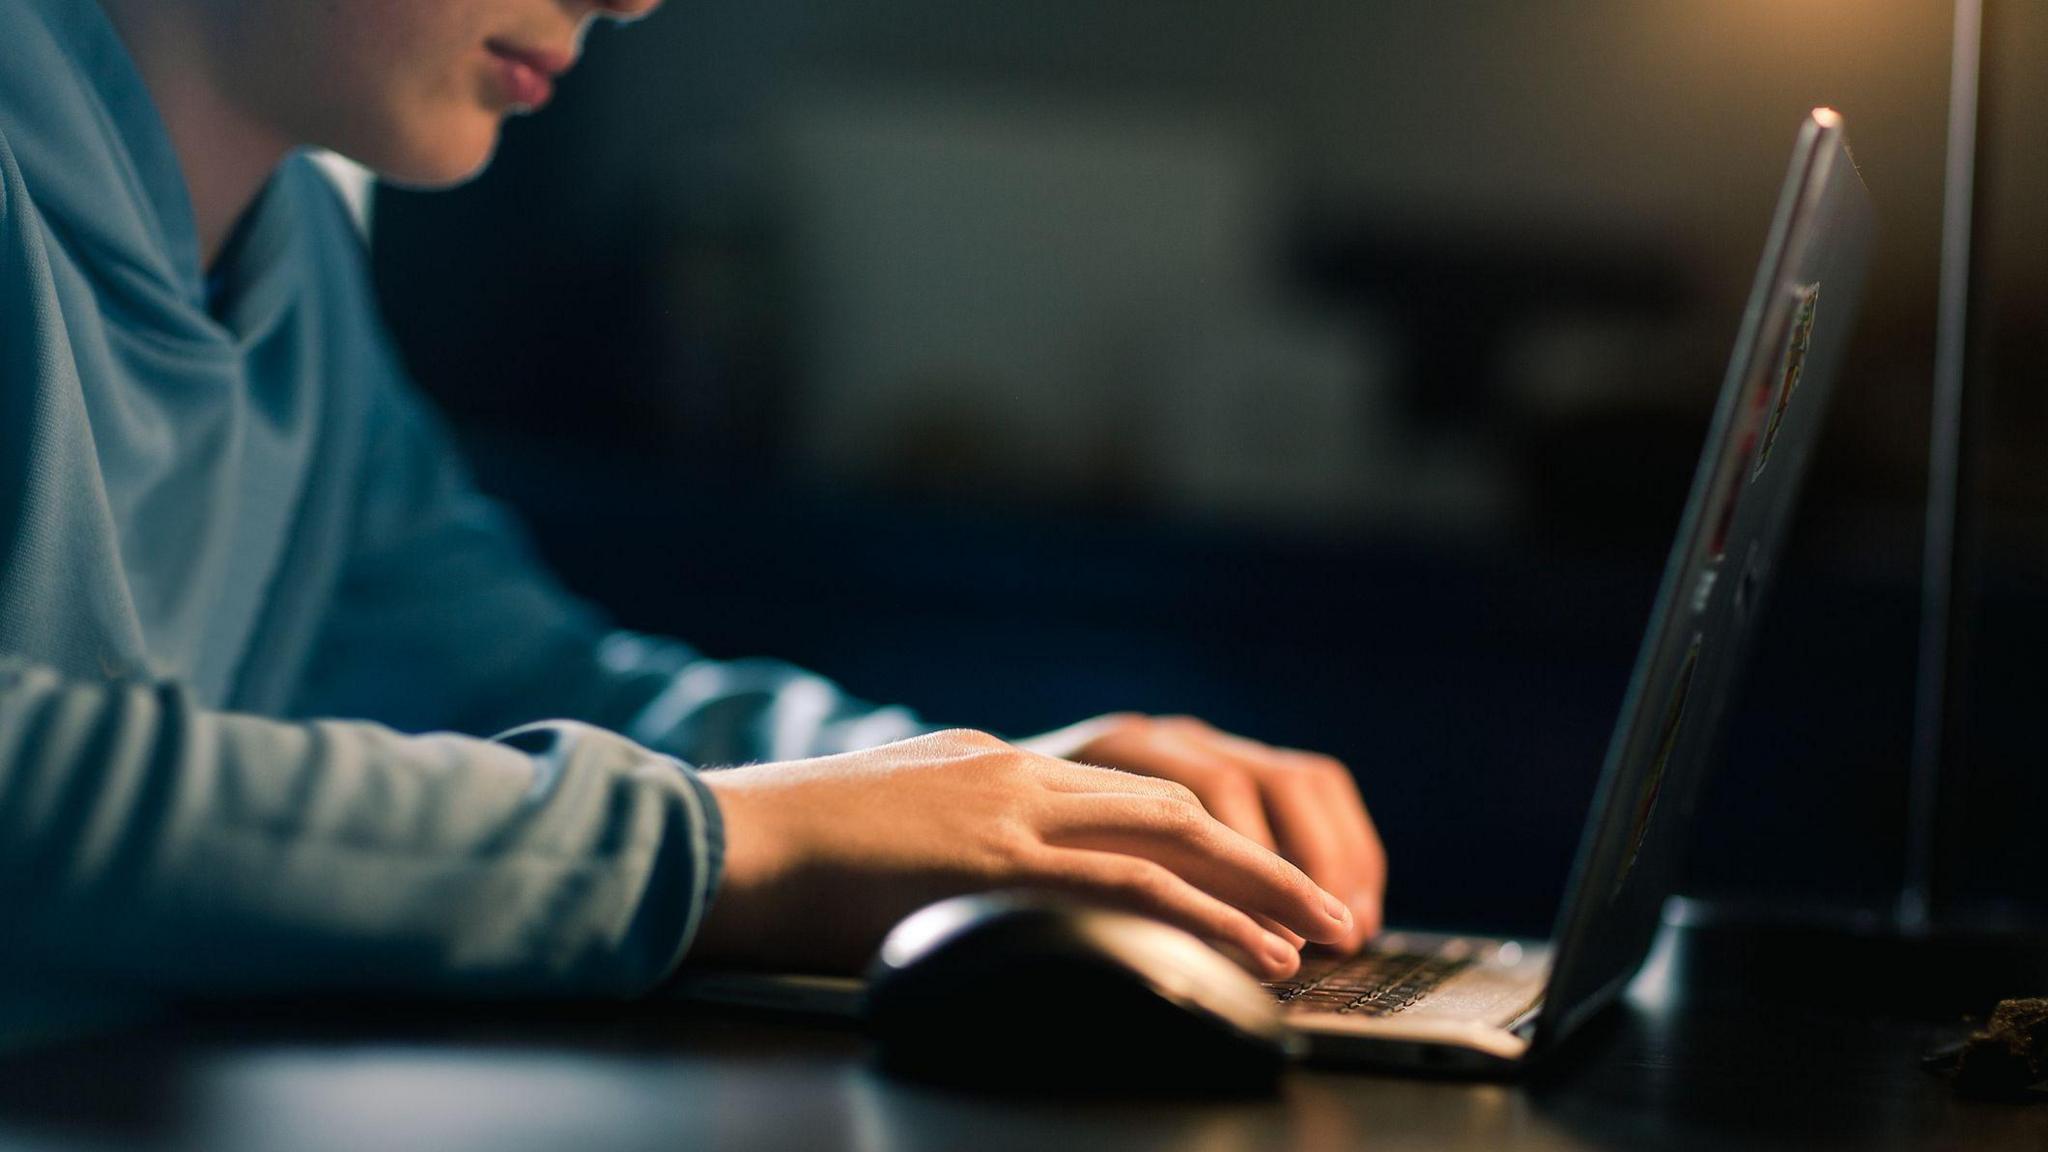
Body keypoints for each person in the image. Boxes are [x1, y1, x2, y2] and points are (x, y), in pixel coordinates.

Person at [0, 0, 1385, 998]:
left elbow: (499, 671)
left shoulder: (286, 253)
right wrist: (736, 848)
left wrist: (989, 794)